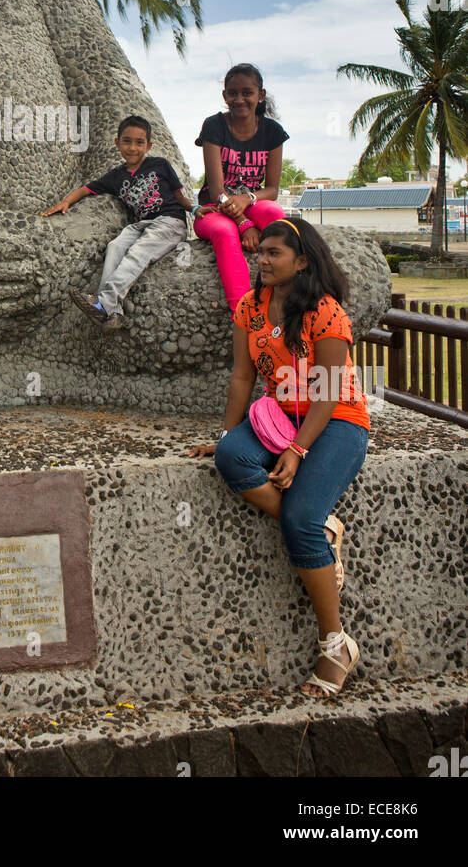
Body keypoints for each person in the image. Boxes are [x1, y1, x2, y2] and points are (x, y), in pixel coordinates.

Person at [189, 217, 370, 699]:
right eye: (261, 253)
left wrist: (297, 450)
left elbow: (330, 392)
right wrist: (228, 435)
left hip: (337, 420)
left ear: (302, 261)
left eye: (274, 254)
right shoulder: (251, 307)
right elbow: (242, 379)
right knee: (230, 458)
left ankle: (336, 644)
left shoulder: (326, 313)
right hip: (280, 416)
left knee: (299, 520)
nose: (262, 260)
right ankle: (324, 528)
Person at [42, 115, 195, 328]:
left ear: (148, 145)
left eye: (139, 142)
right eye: (127, 141)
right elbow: (86, 189)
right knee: (115, 246)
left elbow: (180, 196)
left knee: (138, 251)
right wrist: (66, 202)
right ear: (117, 143)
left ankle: (104, 303)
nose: (132, 148)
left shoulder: (159, 165)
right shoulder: (116, 177)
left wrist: (196, 209)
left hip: (169, 222)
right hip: (141, 224)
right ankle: (113, 313)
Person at [192, 63, 289, 311]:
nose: (240, 99)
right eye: (232, 93)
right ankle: (243, 313)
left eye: (247, 93)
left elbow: (272, 190)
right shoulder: (214, 126)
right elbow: (217, 191)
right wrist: (245, 224)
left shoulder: (272, 132)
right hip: (215, 209)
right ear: (224, 96)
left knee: (276, 215)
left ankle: (285, 297)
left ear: (261, 96)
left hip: (249, 203)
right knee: (225, 233)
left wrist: (247, 199)